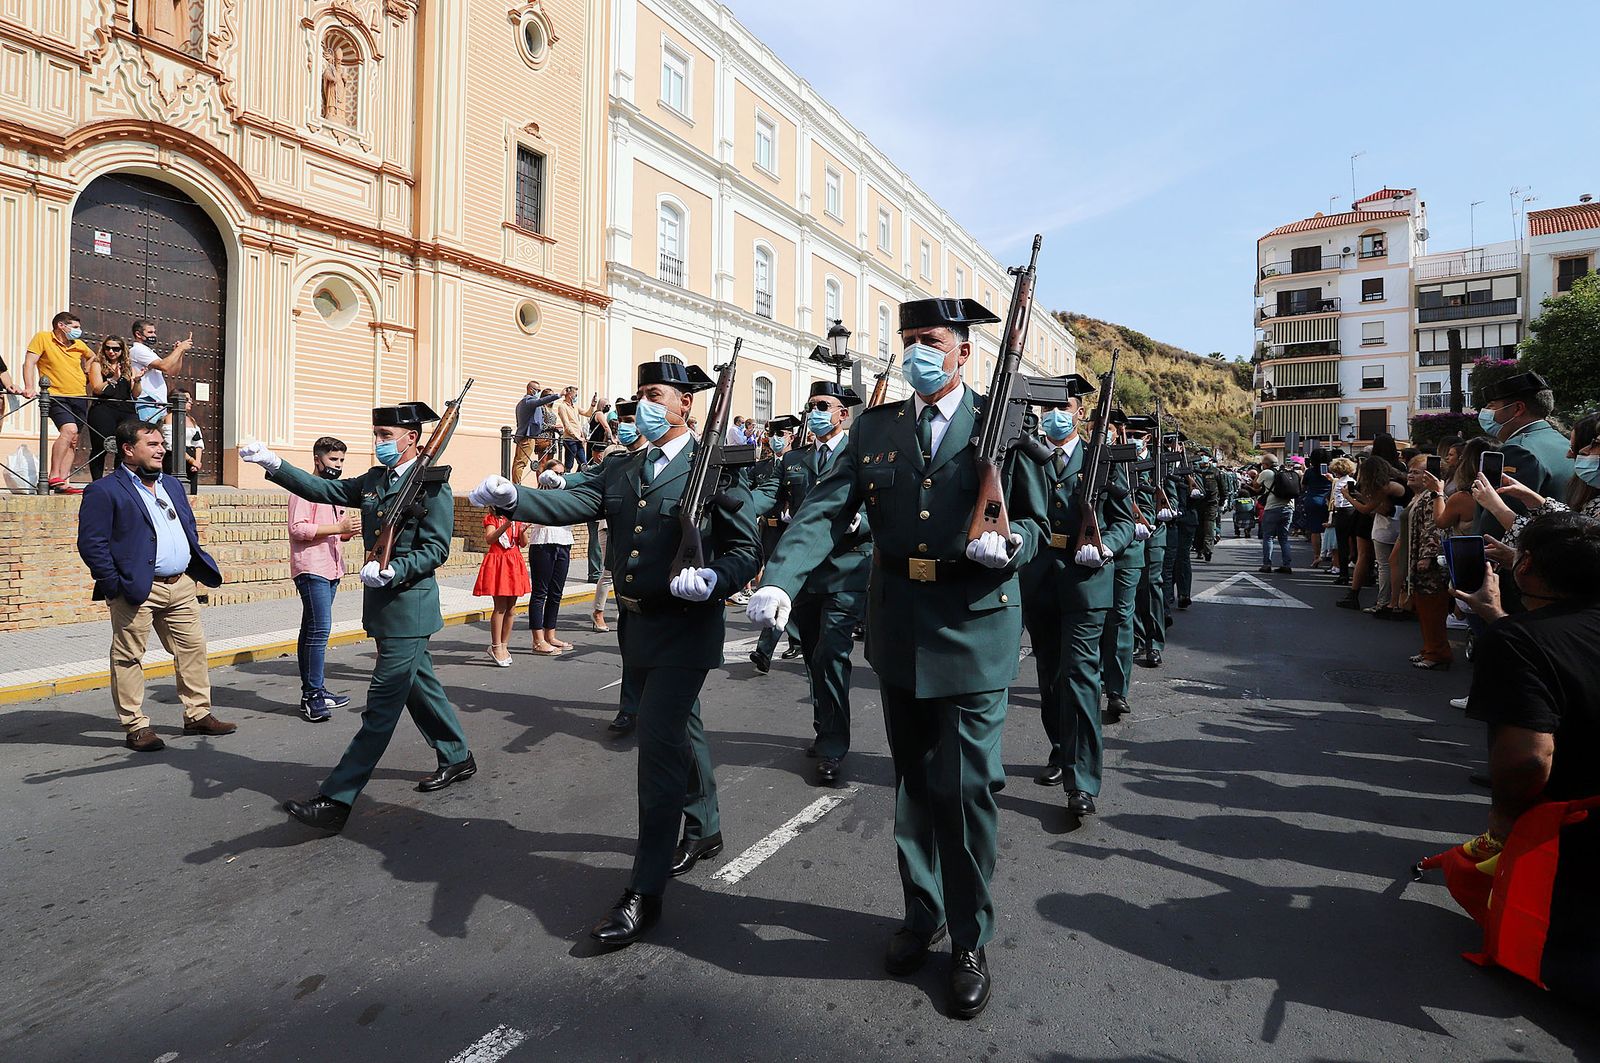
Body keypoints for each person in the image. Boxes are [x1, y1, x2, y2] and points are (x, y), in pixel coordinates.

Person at [746, 296, 1051, 1020]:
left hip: (975, 627)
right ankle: (924, 912)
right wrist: (782, 579)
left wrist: (1009, 546)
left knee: (966, 788)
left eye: (931, 340)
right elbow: (824, 509)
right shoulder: (879, 428)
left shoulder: (1002, 424)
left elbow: (1037, 519)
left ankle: (970, 936)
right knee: (914, 785)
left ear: (963, 353)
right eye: (908, 339)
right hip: (900, 626)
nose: (916, 350)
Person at [470, 358, 761, 947]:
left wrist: (716, 580)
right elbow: (574, 505)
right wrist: (514, 498)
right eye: (641, 395)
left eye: (656, 395)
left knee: (656, 750)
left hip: (686, 628)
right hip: (638, 629)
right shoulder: (624, 468)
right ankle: (704, 827)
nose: (644, 406)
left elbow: (746, 547)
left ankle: (644, 890)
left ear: (686, 405)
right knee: (681, 730)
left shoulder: (716, 470)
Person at [241, 401, 478, 833]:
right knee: (419, 687)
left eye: (386, 436)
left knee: (381, 707)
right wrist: (273, 464)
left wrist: (394, 569)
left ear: (412, 439)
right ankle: (457, 756)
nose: (379, 443)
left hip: (411, 607)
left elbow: (437, 549)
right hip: (384, 609)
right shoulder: (375, 480)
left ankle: (337, 798)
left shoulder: (433, 485)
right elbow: (324, 491)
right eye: (377, 434)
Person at [1453, 511, 1600, 1000]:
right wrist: (1499, 619)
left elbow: (1529, 760)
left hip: (1569, 837)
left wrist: (1503, 821)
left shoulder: (1518, 642)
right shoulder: (1521, 635)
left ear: (1525, 565)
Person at [75, 419, 232, 751]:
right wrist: (114, 585)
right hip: (136, 589)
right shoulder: (104, 490)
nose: (162, 449)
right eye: (153, 444)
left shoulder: (172, 485)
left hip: (181, 585)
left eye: (162, 444)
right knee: (129, 656)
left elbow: (186, 526)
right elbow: (92, 544)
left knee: (193, 650)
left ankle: (198, 714)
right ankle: (135, 725)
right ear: (129, 450)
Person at [1022, 382, 1135, 810]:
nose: (1053, 415)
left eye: (1062, 407)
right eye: (1046, 408)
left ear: (1080, 410)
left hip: (1087, 581)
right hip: (1038, 579)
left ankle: (1082, 779)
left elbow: (1126, 520)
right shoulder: (1026, 455)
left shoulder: (1101, 457)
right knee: (1050, 675)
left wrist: (1105, 545)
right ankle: (1059, 749)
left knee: (1081, 676)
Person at [776, 381, 870, 786]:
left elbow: (884, 505)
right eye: (810, 405)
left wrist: (860, 521)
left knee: (832, 653)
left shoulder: (864, 454)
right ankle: (823, 726)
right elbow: (770, 498)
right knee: (814, 655)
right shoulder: (795, 459)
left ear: (842, 414)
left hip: (847, 569)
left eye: (822, 405)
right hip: (806, 574)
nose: (814, 412)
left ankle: (833, 743)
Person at [288, 436, 359, 722]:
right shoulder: (303, 490)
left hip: (331, 567)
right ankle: (312, 696)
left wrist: (346, 531)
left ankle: (315, 689)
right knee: (319, 632)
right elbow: (298, 528)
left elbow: (335, 530)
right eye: (333, 460)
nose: (337, 465)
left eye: (341, 460)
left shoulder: (333, 490)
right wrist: (337, 527)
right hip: (311, 568)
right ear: (318, 459)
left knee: (311, 630)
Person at [1093, 409, 1149, 728]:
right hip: (1095, 545)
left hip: (1128, 552)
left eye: (1113, 426)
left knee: (1119, 617)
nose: (1107, 431)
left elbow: (1148, 498)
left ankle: (1117, 690)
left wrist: (1147, 519)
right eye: (1101, 425)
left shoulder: (1138, 459)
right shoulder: (1092, 455)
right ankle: (1097, 677)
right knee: (1095, 618)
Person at [1474, 414, 1600, 547]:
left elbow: (1565, 547)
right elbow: (1571, 522)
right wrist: (1534, 500)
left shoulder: (1520, 449)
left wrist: (1496, 507)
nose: (1569, 454)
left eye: (1596, 444)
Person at [23, 311, 93, 493]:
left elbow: (92, 356)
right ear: (61, 325)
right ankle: (53, 475)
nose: (79, 331)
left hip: (79, 395)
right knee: (69, 430)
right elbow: (29, 362)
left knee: (74, 439)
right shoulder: (43, 338)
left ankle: (64, 481)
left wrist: (86, 372)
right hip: (56, 395)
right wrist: (29, 386)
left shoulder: (78, 344)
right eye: (75, 327)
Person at [1132, 417, 1178, 669]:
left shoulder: (1159, 463)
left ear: (1148, 438)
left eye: (1138, 434)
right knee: (1131, 589)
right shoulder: (1122, 459)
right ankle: (1136, 638)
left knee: (1151, 585)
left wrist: (1167, 510)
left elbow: (1172, 495)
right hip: (1127, 532)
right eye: (1130, 433)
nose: (1133, 438)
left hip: (1154, 533)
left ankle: (1154, 643)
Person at [1402, 455, 1452, 669]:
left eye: (1417, 471)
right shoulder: (1419, 496)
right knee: (1423, 607)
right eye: (1410, 471)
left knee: (1432, 608)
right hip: (1416, 559)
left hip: (1429, 564)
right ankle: (1428, 649)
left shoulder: (1433, 497)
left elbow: (1434, 528)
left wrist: (1427, 555)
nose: (1411, 474)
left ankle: (1437, 653)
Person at [1336, 454, 1404, 611]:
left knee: (1384, 565)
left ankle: (1384, 602)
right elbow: (1379, 506)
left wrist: (1348, 497)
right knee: (1392, 563)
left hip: (1387, 527)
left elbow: (1368, 509)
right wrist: (1360, 497)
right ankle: (1392, 601)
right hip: (1395, 525)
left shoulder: (1385, 486)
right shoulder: (1398, 482)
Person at [525, 457, 575, 655]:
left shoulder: (567, 494)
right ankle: (537, 640)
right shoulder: (539, 496)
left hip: (564, 542)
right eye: (556, 473)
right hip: (543, 543)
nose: (559, 478)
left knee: (556, 592)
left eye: (562, 474)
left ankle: (550, 634)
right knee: (540, 592)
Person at [85, 335, 141, 481]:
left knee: (125, 447)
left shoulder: (129, 368)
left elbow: (135, 393)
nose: (111, 351)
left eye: (116, 349)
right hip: (104, 408)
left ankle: (120, 480)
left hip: (126, 409)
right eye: (108, 348)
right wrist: (114, 379)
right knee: (101, 447)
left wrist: (138, 381)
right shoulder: (97, 365)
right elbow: (97, 388)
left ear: (122, 351)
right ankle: (97, 481)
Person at [127, 319, 193, 427]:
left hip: (159, 405)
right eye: (150, 332)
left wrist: (180, 352)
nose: (154, 335)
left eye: (154, 332)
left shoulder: (149, 352)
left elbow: (173, 371)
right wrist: (179, 348)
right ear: (138, 334)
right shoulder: (137, 350)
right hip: (147, 403)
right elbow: (164, 366)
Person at [1161, 433, 1197, 612]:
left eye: (1175, 444)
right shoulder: (1161, 464)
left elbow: (1201, 493)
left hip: (1186, 519)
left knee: (1182, 558)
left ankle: (1184, 594)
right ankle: (1167, 599)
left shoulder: (1188, 465)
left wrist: (1190, 485)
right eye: (1168, 444)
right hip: (1168, 520)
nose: (1172, 447)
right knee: (1167, 562)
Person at [1253, 453, 1295, 573]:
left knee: (1268, 537)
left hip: (1272, 508)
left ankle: (1267, 564)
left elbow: (1255, 485)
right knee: (1284, 538)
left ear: (1265, 464)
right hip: (1289, 507)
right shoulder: (1286, 472)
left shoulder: (1266, 473)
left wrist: (1258, 472)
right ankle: (1286, 565)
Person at [511, 380, 560, 484]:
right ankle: (517, 485)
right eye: (538, 390)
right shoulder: (527, 401)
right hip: (527, 436)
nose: (538, 392)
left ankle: (517, 484)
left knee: (519, 462)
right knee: (521, 463)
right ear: (530, 389)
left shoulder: (524, 403)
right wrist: (559, 395)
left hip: (528, 436)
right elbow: (540, 402)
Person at [1295, 448, 1332, 565]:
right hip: (1328, 501)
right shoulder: (1331, 471)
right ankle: (1331, 556)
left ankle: (1316, 556)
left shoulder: (1309, 472)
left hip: (1312, 500)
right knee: (1330, 528)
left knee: (1315, 530)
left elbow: (1303, 486)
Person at [1328, 456, 1357, 584]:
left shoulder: (1338, 483)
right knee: (1355, 543)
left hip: (1342, 513)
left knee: (1342, 544)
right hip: (1353, 511)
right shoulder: (1353, 481)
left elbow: (1336, 501)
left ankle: (1343, 574)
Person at [169, 388, 204, 495]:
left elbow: (198, 442)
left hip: (192, 459)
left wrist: (197, 462)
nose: (190, 402)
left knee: (192, 492)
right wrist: (190, 460)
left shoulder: (192, 420)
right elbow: (171, 444)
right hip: (176, 457)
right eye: (187, 399)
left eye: (191, 400)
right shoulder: (170, 418)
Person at [552, 386, 594, 471]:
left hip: (578, 439)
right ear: (569, 395)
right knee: (569, 464)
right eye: (575, 394)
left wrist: (592, 405)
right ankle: (567, 479)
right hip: (570, 439)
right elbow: (566, 424)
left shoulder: (575, 406)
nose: (576, 397)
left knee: (583, 463)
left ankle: (579, 479)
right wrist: (577, 436)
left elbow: (587, 413)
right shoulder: (562, 407)